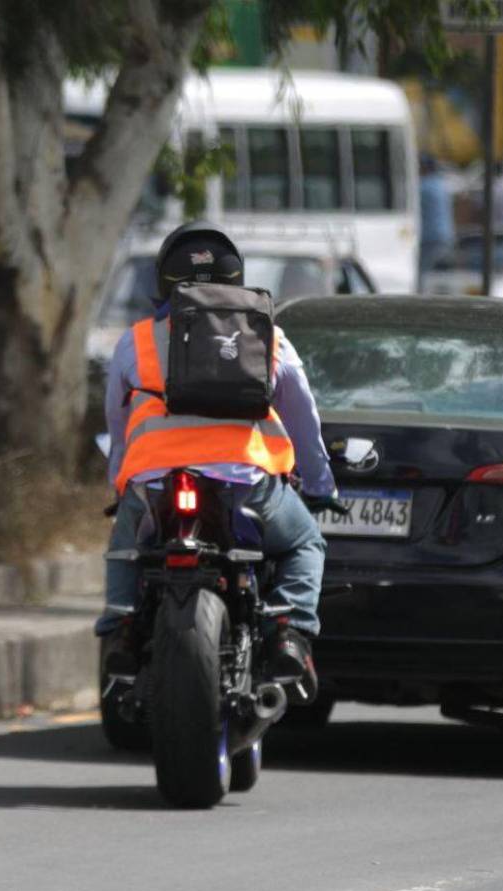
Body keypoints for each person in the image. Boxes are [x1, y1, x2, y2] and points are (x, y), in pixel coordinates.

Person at [102, 221, 340, 703]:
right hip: (247, 486)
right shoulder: (266, 335)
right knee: (306, 544)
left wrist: (120, 486)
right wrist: (319, 484)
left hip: (155, 486)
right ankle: (291, 632)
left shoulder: (137, 340)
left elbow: (117, 420)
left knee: (125, 550)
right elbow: (303, 417)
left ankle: (121, 629)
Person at [418, 153, 455, 287]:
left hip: (429, 237)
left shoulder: (423, 187)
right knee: (440, 275)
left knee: (422, 275)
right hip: (445, 235)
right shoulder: (441, 184)